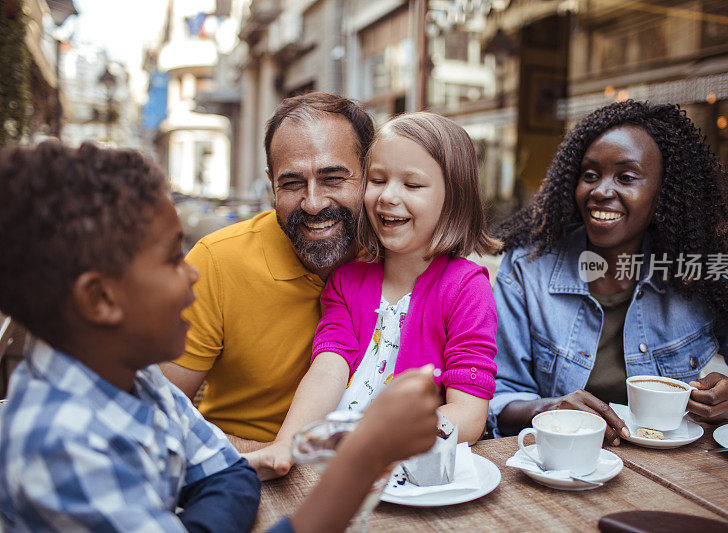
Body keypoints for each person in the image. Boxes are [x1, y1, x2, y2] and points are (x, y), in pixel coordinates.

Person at [0, 141, 441, 533]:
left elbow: (228, 476)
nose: (193, 274)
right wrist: (362, 458)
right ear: (100, 299)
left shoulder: (134, 381)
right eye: (173, 259)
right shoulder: (61, 445)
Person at [489, 100, 728, 444]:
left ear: (662, 193)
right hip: (565, 465)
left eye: (626, 177)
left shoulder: (694, 271)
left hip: (675, 470)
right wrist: (547, 409)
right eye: (590, 175)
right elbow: (499, 398)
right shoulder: (527, 268)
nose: (601, 191)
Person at [246, 112, 501, 480]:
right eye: (377, 180)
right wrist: (288, 442)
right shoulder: (346, 280)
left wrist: (378, 442)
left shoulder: (467, 287)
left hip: (418, 473)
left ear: (453, 199)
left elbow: (469, 416)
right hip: (340, 466)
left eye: (412, 185)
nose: (388, 196)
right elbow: (329, 367)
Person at [159, 92, 374, 443]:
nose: (314, 203)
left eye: (333, 179)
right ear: (271, 182)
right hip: (246, 469)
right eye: (291, 183)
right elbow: (157, 417)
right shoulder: (216, 262)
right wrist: (269, 457)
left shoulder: (398, 255)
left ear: (369, 175)